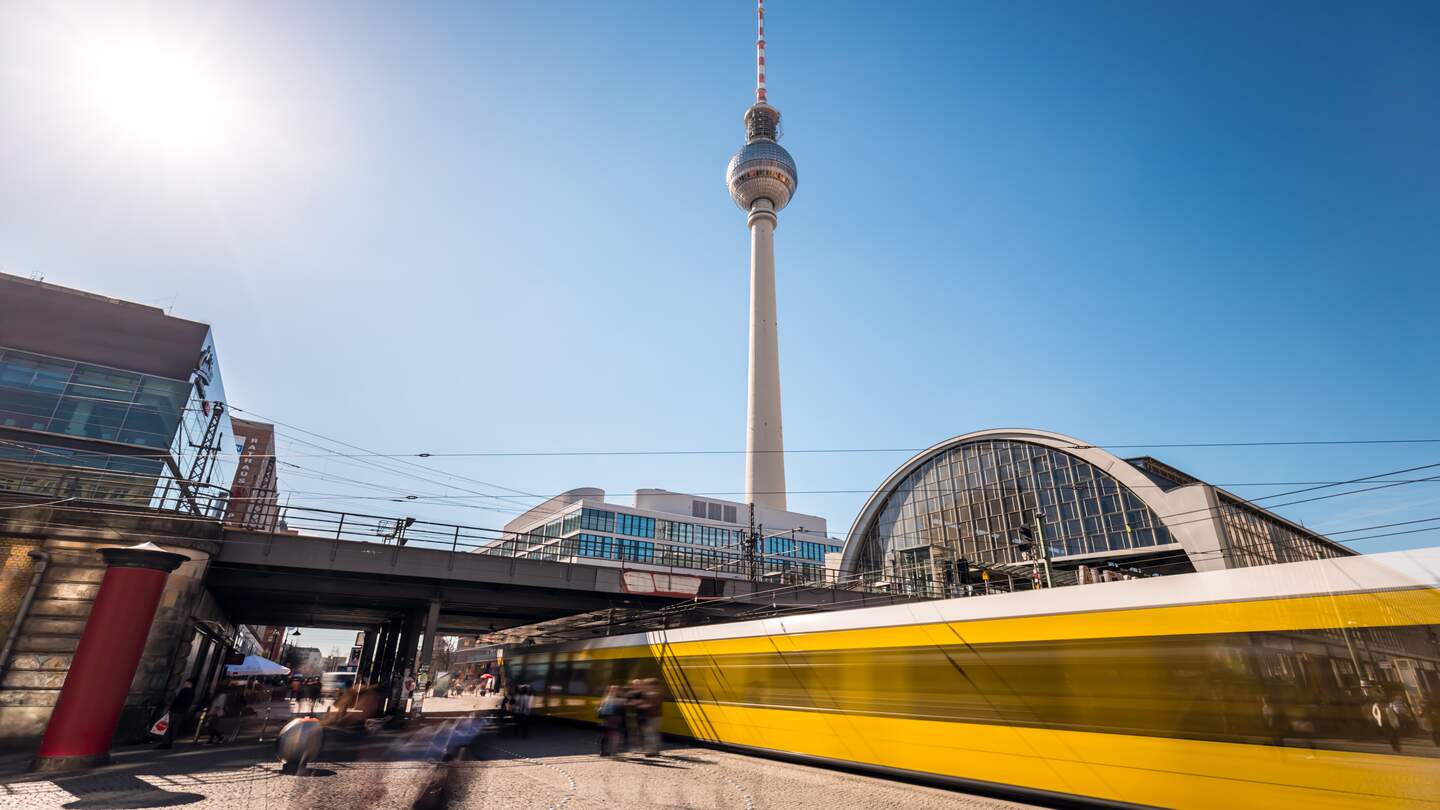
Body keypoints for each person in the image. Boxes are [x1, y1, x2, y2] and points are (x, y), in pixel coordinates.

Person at [156, 678, 195, 749]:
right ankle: (170, 742)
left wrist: (171, 709)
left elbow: (177, 701)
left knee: (169, 726)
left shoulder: (184, 690)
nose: (184, 684)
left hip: (176, 711)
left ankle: (165, 742)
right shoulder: (192, 693)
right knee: (175, 727)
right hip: (182, 711)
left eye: (186, 683)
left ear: (189, 684)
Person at [598, 685, 624, 756]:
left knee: (607, 735)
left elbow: (601, 708)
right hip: (611, 719)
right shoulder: (612, 699)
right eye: (615, 690)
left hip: (607, 719)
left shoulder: (606, 698)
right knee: (614, 735)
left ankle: (604, 751)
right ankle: (610, 751)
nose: (616, 691)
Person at [641, 678, 663, 756]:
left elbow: (651, 705)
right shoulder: (658, 693)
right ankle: (656, 751)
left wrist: (642, 706)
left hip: (651, 717)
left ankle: (651, 751)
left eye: (647, 685)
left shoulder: (653, 694)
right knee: (655, 734)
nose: (646, 686)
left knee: (649, 734)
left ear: (652, 685)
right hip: (658, 716)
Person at [624, 679, 645, 752]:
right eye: (635, 684)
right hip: (631, 715)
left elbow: (643, 702)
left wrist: (633, 702)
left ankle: (639, 746)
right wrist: (636, 702)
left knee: (640, 731)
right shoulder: (630, 693)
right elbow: (626, 703)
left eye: (638, 684)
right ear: (633, 685)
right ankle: (634, 747)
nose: (637, 686)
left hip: (641, 715)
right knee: (632, 732)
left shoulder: (643, 693)